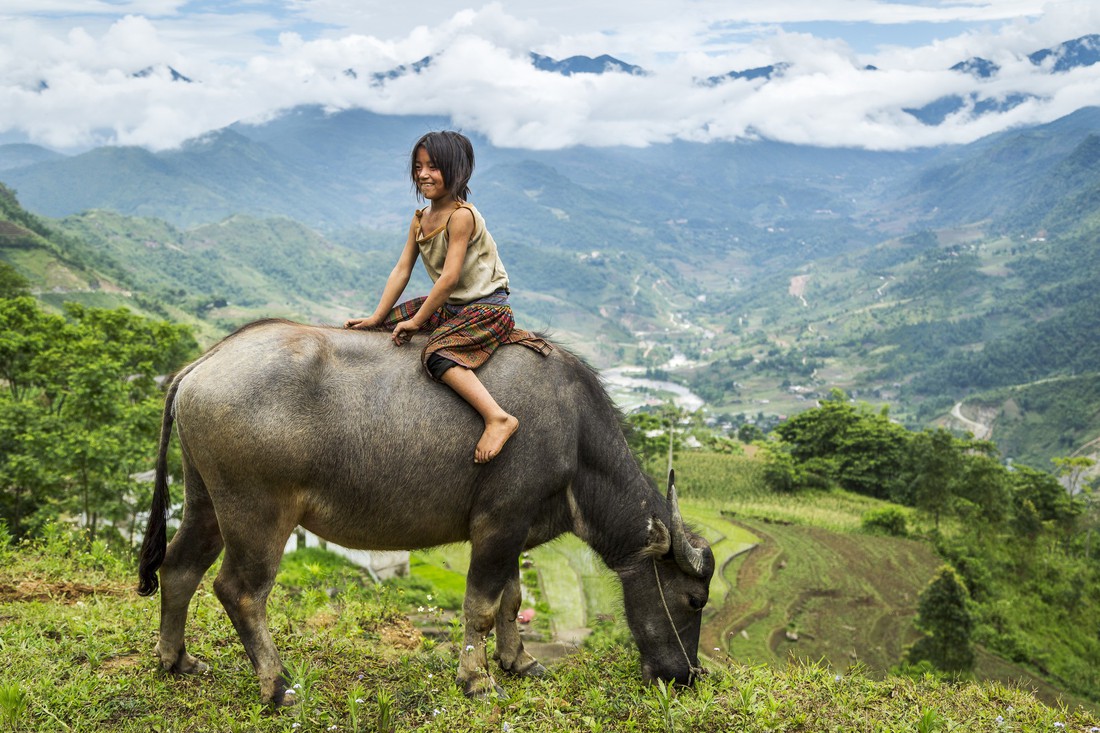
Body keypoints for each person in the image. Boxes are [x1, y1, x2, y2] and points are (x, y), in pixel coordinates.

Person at [345, 131, 551, 464]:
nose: (423, 174)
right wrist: (377, 317)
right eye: (418, 166)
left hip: (486, 309)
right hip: (453, 306)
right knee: (385, 327)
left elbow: (449, 277)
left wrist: (418, 321)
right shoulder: (420, 219)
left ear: (456, 171)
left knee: (437, 354)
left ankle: (497, 417)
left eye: (434, 167)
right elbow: (401, 270)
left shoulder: (462, 216)